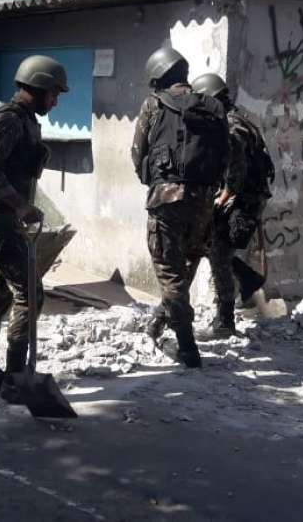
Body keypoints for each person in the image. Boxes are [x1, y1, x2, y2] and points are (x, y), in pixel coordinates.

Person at [0, 55, 68, 396]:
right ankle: (15, 378)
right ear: (38, 87)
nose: (55, 101)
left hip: (0, 217)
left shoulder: (24, 120)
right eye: (53, 93)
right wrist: (20, 205)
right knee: (30, 294)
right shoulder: (9, 119)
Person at [132, 47, 229, 368]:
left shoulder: (153, 105)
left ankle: (187, 348)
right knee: (186, 267)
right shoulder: (213, 106)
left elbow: (138, 153)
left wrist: (155, 181)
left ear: (158, 77)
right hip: (203, 201)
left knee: (169, 271)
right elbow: (226, 154)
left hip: (166, 198)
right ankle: (158, 323)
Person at [191, 73, 275, 338]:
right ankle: (250, 280)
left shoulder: (230, 127)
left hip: (242, 201)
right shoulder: (238, 120)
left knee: (216, 252)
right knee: (211, 247)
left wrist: (222, 198)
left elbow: (236, 172)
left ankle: (225, 321)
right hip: (247, 199)